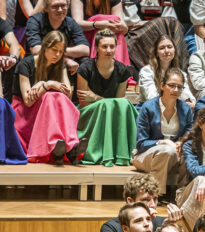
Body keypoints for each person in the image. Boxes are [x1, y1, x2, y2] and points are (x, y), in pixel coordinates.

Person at [12, 30, 85, 164]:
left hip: (47, 110)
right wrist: (47, 85)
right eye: (53, 50)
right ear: (44, 47)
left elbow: (67, 94)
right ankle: (61, 146)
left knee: (58, 97)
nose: (57, 55)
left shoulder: (60, 65)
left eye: (61, 51)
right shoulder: (25, 64)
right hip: (24, 112)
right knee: (50, 97)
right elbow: (27, 101)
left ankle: (67, 147)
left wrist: (46, 86)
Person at [76, 29, 137, 166]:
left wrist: (96, 98)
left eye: (112, 46)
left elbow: (119, 102)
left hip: (110, 113)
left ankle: (121, 154)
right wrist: (104, 102)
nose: (109, 50)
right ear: (96, 48)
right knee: (111, 105)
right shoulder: (85, 68)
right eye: (104, 46)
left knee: (123, 105)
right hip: (89, 114)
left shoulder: (122, 70)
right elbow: (84, 102)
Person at [133, 67, 194, 195]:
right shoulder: (148, 107)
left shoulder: (186, 109)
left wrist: (181, 143)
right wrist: (163, 143)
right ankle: (156, 194)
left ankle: (183, 194)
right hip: (146, 156)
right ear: (162, 86)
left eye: (179, 87)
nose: (176, 90)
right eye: (171, 85)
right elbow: (141, 143)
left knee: (188, 151)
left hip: (175, 156)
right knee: (167, 150)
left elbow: (189, 135)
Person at [25, 0, 89, 77]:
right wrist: (65, 60)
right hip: (39, 63)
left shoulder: (70, 22)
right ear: (46, 8)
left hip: (60, 62)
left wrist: (60, 53)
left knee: (85, 61)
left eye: (63, 6)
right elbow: (36, 50)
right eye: (55, 6)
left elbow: (85, 49)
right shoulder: (35, 20)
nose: (60, 10)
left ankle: (81, 88)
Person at [138, 34, 195, 105]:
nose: (166, 51)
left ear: (174, 50)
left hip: (174, 108)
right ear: (156, 53)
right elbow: (151, 97)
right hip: (150, 109)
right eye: (162, 48)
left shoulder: (181, 73)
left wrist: (191, 102)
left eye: (169, 47)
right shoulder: (147, 71)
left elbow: (187, 94)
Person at [70, 0, 129, 66]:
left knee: (114, 19)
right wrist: (97, 24)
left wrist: (119, 26)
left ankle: (116, 65)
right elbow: (76, 23)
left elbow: (124, 28)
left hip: (108, 36)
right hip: (86, 38)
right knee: (99, 18)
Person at [0, 14, 22, 99]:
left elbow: (14, 45)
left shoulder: (1, 22)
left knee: (16, 60)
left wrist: (12, 58)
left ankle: (8, 101)